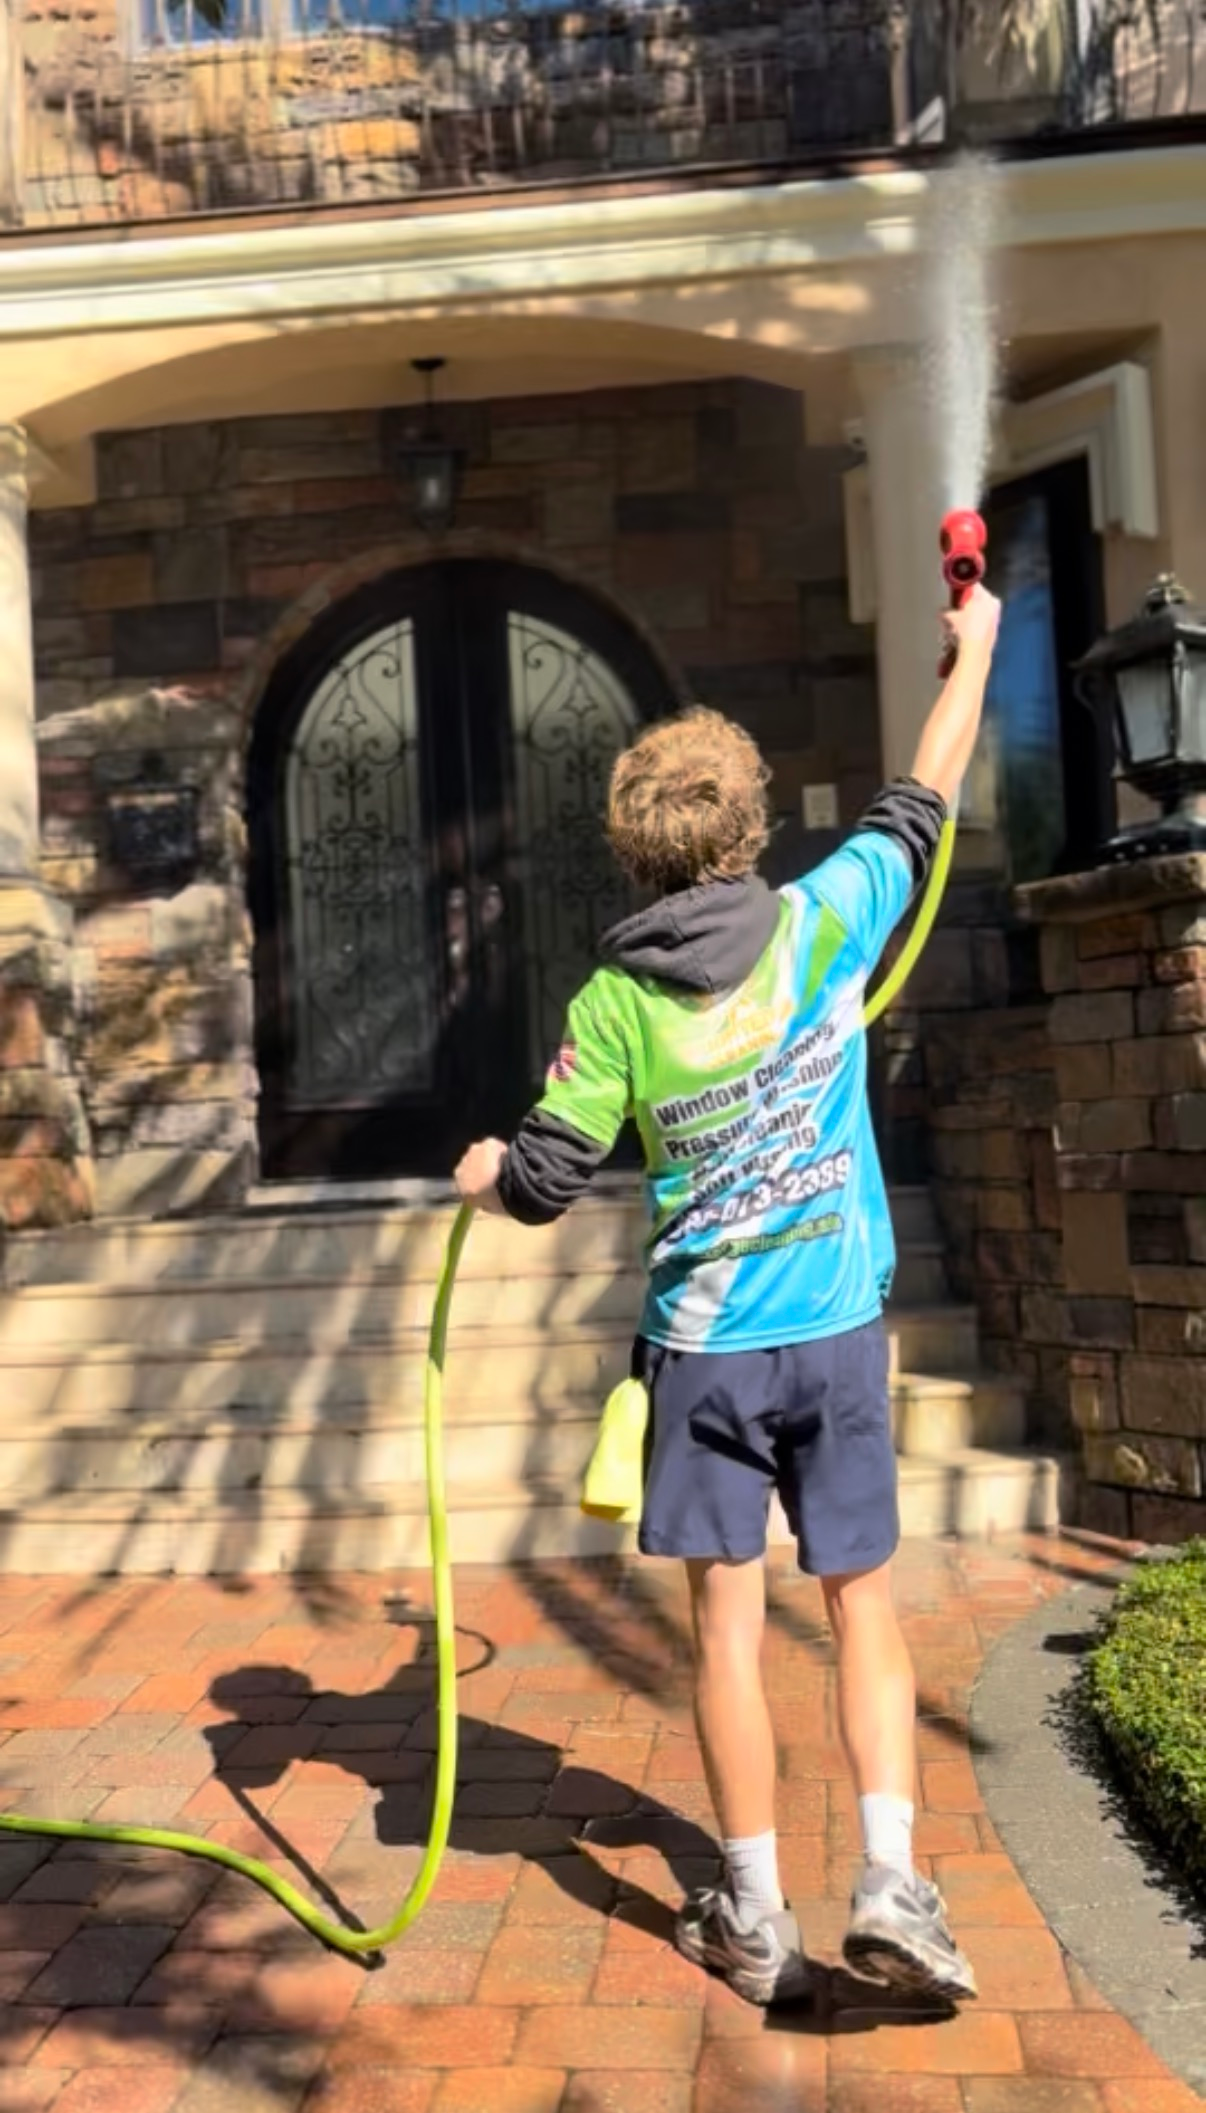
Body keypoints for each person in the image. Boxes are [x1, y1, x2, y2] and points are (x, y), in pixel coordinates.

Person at [454, 583, 1002, 2008]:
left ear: (631, 857)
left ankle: (753, 1915)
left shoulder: (612, 1008)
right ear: (750, 827)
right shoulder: (825, 922)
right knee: (863, 1608)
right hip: (830, 1339)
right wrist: (976, 654)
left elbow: (540, 1183)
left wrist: (475, 1177)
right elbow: (919, 797)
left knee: (726, 1627)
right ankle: (889, 1880)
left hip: (702, 1359)